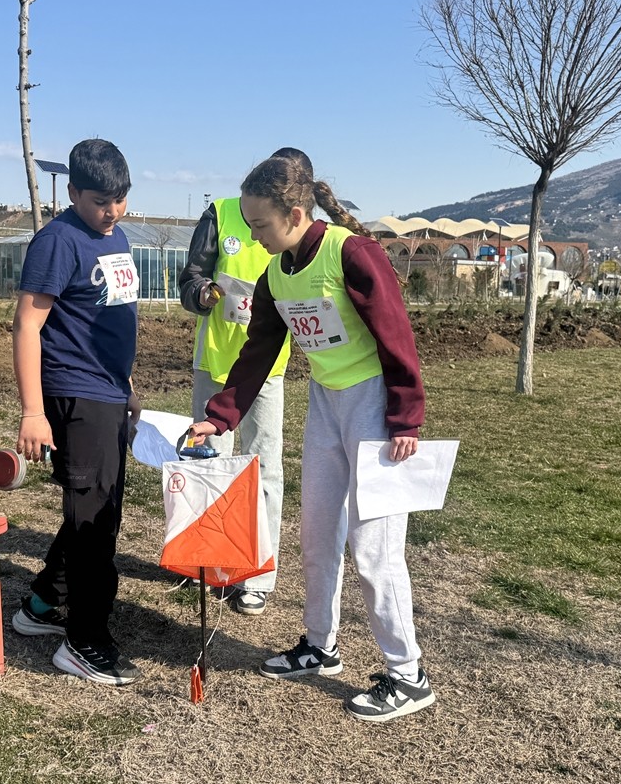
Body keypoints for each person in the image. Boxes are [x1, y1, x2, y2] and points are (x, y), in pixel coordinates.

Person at [187, 157, 434, 722]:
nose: (253, 236)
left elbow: (397, 334)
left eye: (260, 226)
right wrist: (220, 415)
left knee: (374, 549)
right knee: (318, 533)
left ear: (295, 214)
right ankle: (320, 647)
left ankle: (408, 674)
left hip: (373, 407)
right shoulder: (276, 274)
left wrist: (406, 418)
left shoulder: (351, 254)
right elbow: (258, 351)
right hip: (326, 404)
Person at [9, 138, 143, 687]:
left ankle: (42, 605)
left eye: (120, 199)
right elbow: (26, 326)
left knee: (95, 507)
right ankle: (85, 642)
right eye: (98, 201)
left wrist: (127, 380)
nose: (111, 211)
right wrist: (33, 412)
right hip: (74, 393)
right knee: (95, 520)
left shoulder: (119, 236)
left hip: (109, 391)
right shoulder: (57, 241)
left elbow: (109, 318)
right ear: (72, 193)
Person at [177, 148, 311, 616]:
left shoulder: (304, 234)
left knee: (264, 469)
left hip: (267, 368)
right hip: (215, 363)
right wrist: (202, 292)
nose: (256, 231)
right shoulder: (220, 214)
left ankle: (257, 573)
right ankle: (211, 561)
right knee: (211, 464)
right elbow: (190, 275)